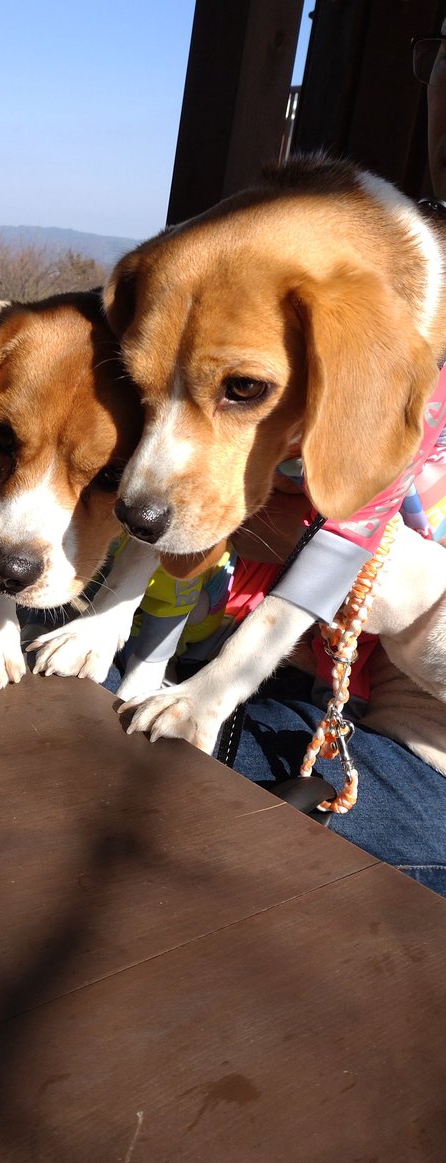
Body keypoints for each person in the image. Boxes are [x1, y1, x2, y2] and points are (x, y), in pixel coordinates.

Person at [218, 28, 446, 897]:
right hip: (287, 679)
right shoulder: (376, 273)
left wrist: (352, 558)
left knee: (133, 791)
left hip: (422, 766)